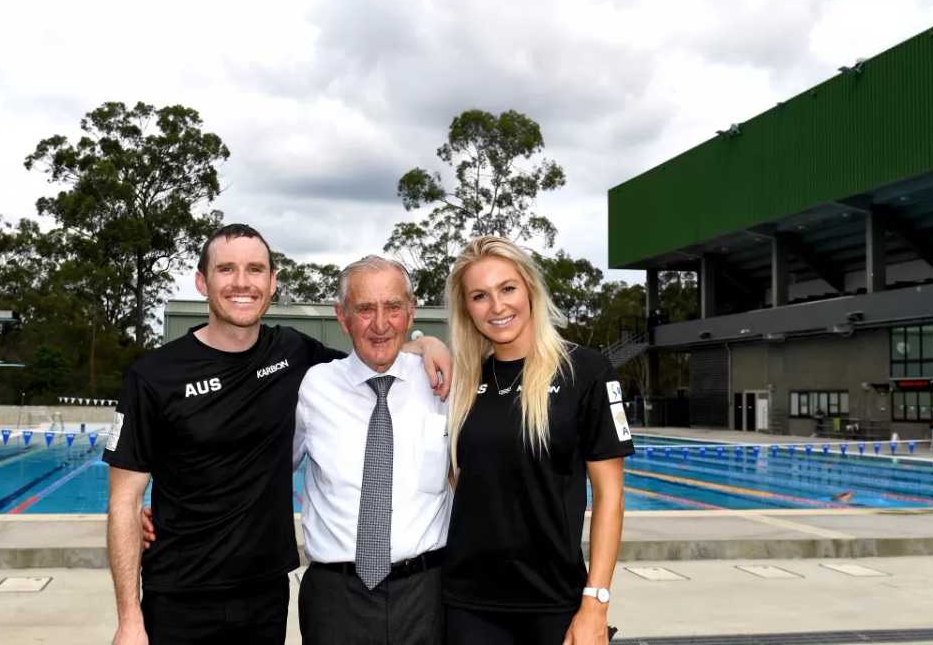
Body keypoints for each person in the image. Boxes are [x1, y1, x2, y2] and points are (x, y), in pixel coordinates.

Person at [103, 224, 452, 645]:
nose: (241, 282)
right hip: (183, 593)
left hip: (268, 594)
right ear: (202, 281)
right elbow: (123, 499)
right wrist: (129, 620)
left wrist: (428, 343)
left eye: (255, 269)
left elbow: (376, 348)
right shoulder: (154, 376)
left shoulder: (295, 355)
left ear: (272, 283)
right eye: (226, 269)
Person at [440, 236, 634, 645]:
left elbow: (610, 497)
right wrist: (421, 343)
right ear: (466, 309)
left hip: (555, 603)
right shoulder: (463, 382)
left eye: (507, 288)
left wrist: (595, 603)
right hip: (468, 604)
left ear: (529, 288)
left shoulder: (586, 371)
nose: (497, 306)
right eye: (480, 296)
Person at [292, 255, 452, 645]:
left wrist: (429, 343)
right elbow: (263, 471)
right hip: (336, 598)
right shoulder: (312, 388)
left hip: (427, 596)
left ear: (411, 310)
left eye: (393, 307)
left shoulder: (445, 381)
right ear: (342, 317)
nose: (380, 324)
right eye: (365, 309)